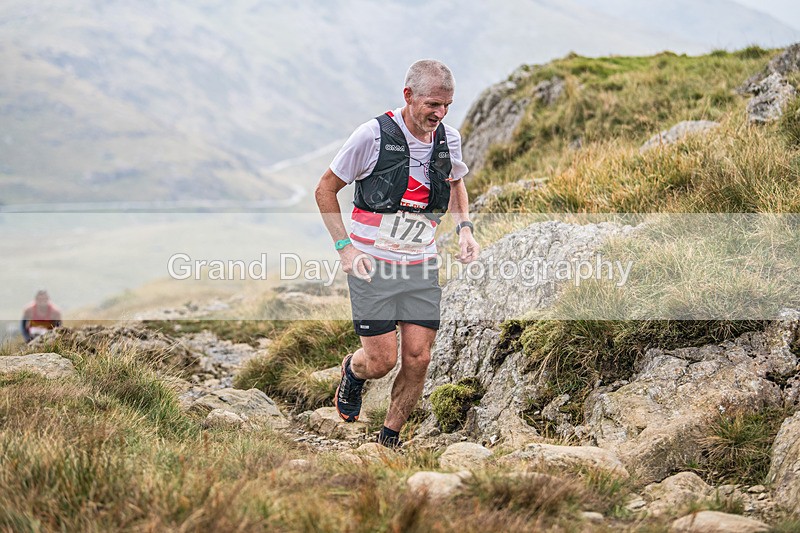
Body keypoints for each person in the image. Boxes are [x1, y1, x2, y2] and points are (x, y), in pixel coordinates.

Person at [315, 59, 479, 448]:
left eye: (447, 106)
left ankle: (389, 438)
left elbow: (456, 184)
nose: (439, 114)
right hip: (372, 266)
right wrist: (345, 247)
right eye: (433, 105)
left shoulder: (448, 139)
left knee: (419, 358)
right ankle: (353, 372)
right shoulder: (371, 136)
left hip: (420, 264)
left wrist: (465, 229)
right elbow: (324, 189)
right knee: (381, 361)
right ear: (408, 96)